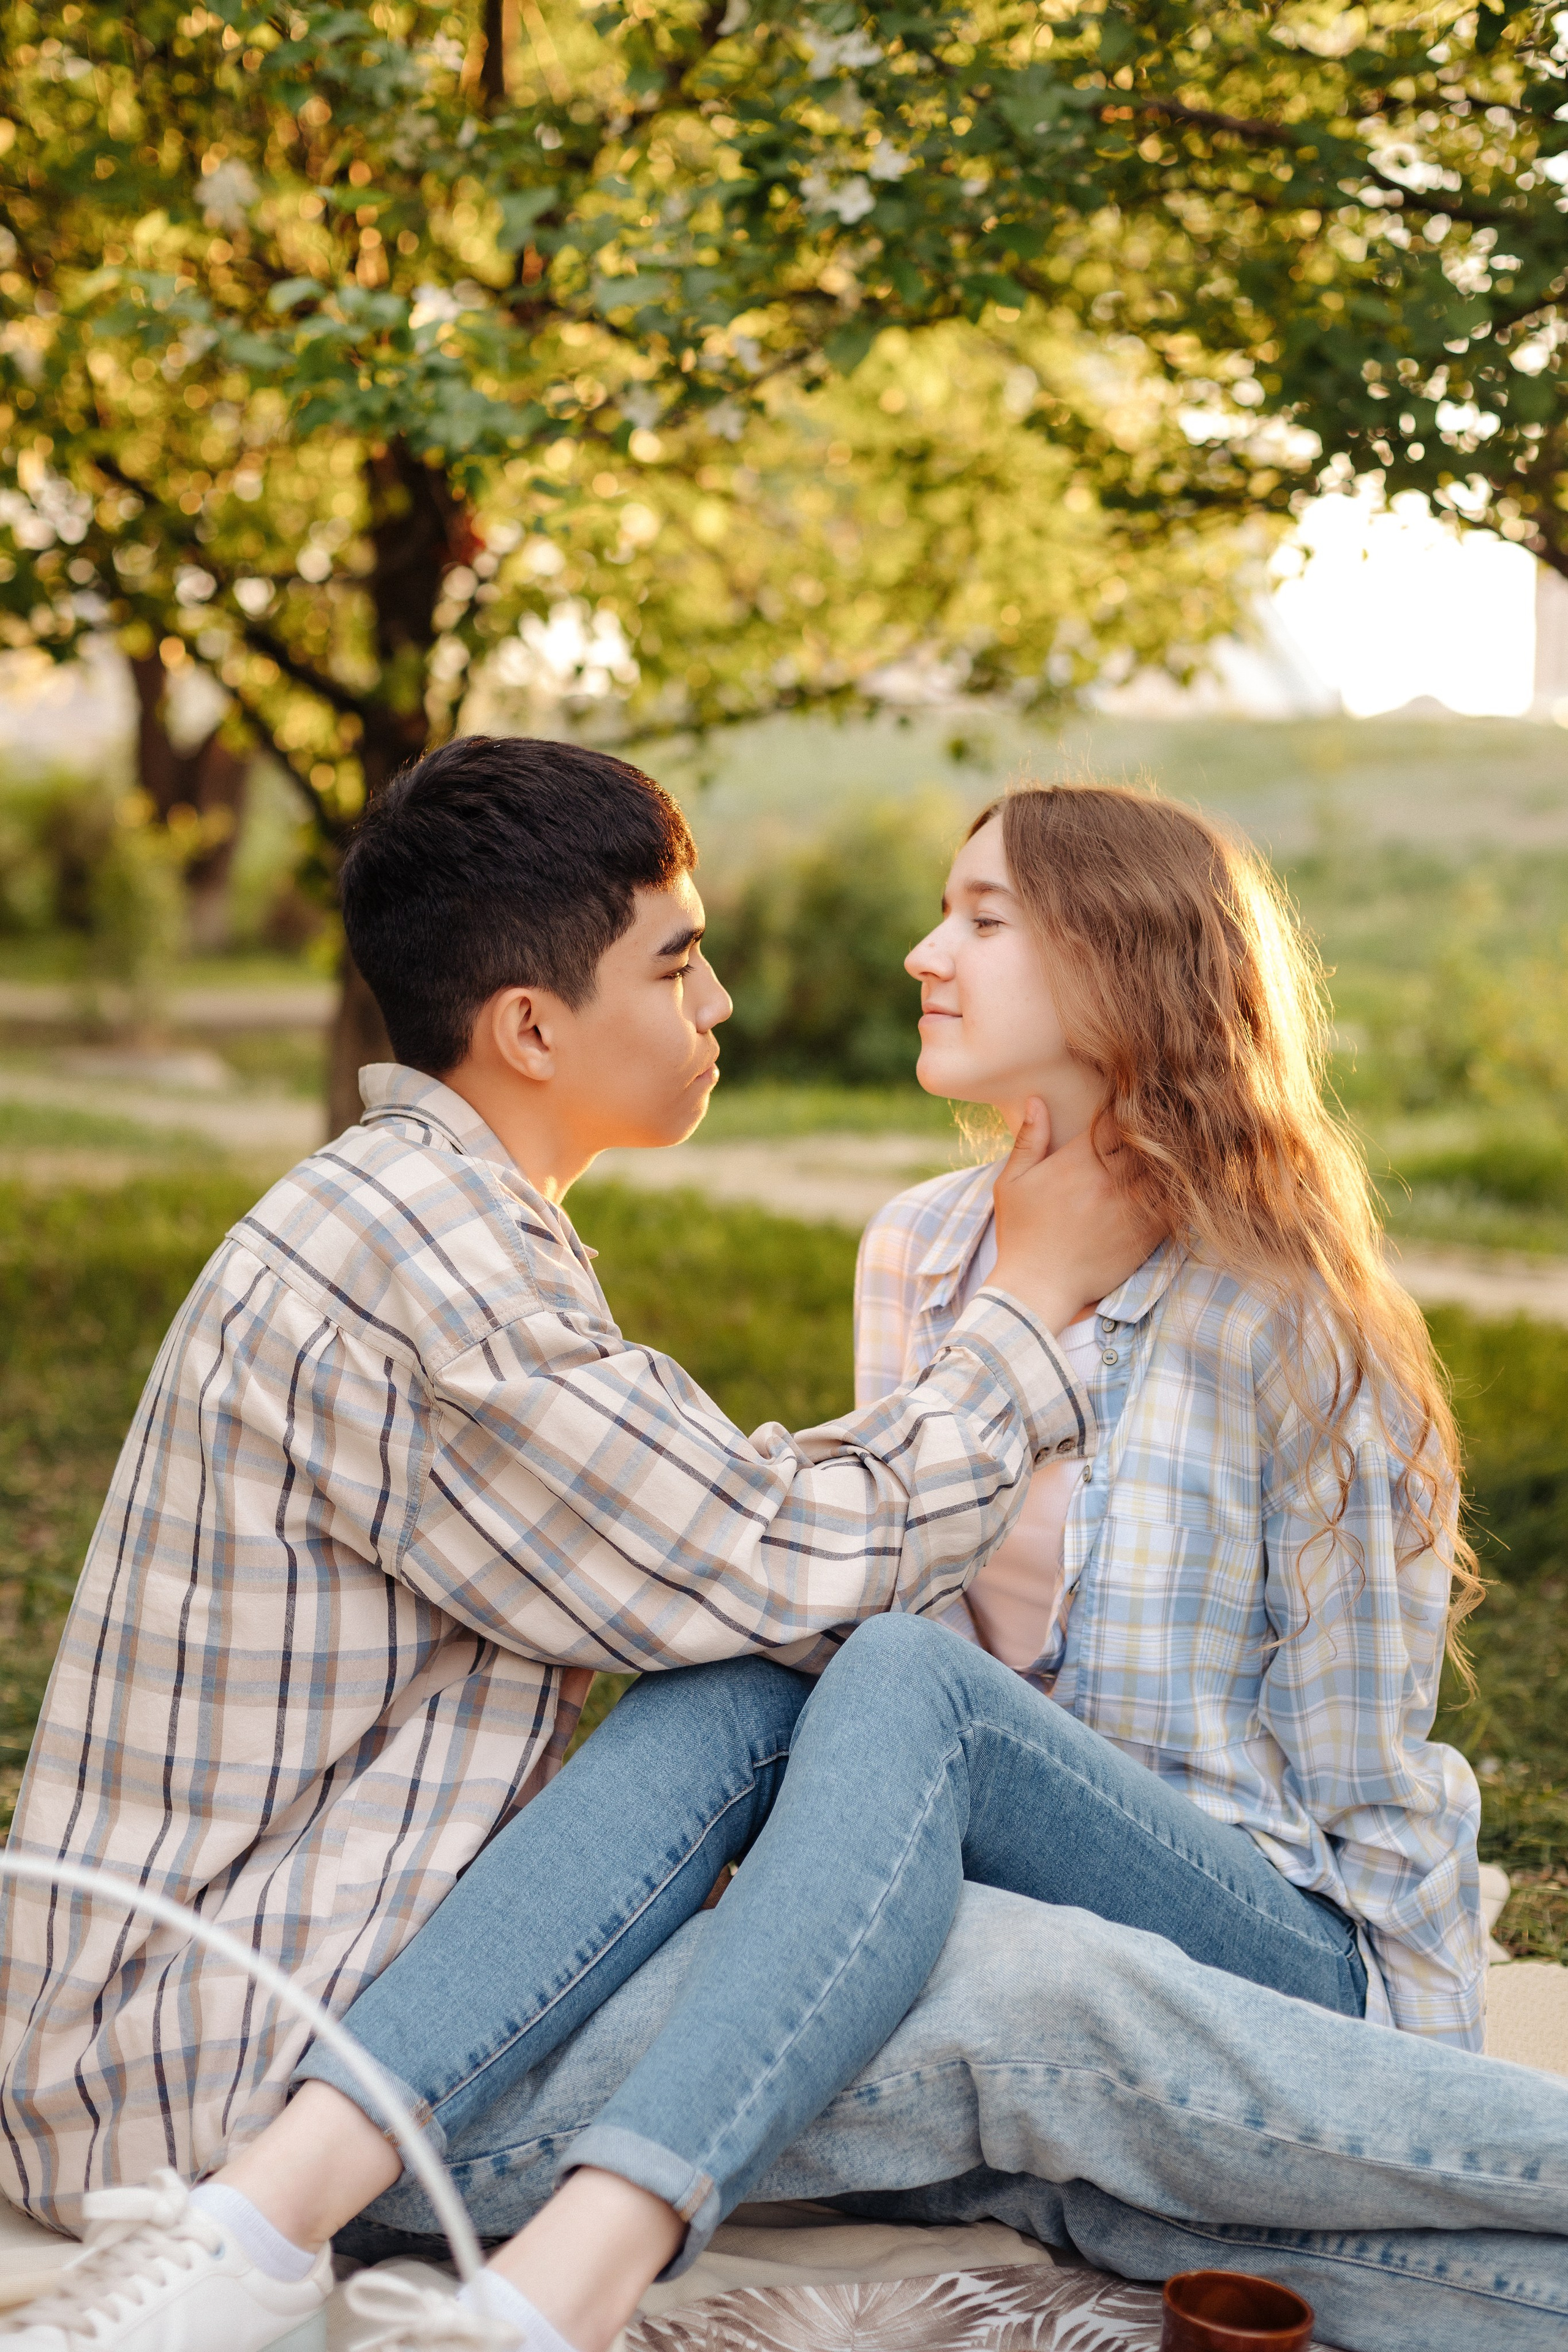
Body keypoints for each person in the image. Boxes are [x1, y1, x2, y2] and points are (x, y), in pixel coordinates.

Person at [12, 778, 1566, 2352]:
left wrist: (1417, 2079)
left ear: (1122, 962)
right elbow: (796, 1572)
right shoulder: (921, 1251)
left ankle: (513, 2266)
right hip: (252, 2029)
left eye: (980, 917)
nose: (914, 953)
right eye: (680, 963)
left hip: (1250, 1922)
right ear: (532, 1028)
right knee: (833, 1704)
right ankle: (371, 2240)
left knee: (874, 1677)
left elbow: (1374, 1775)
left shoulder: (1288, 1324)